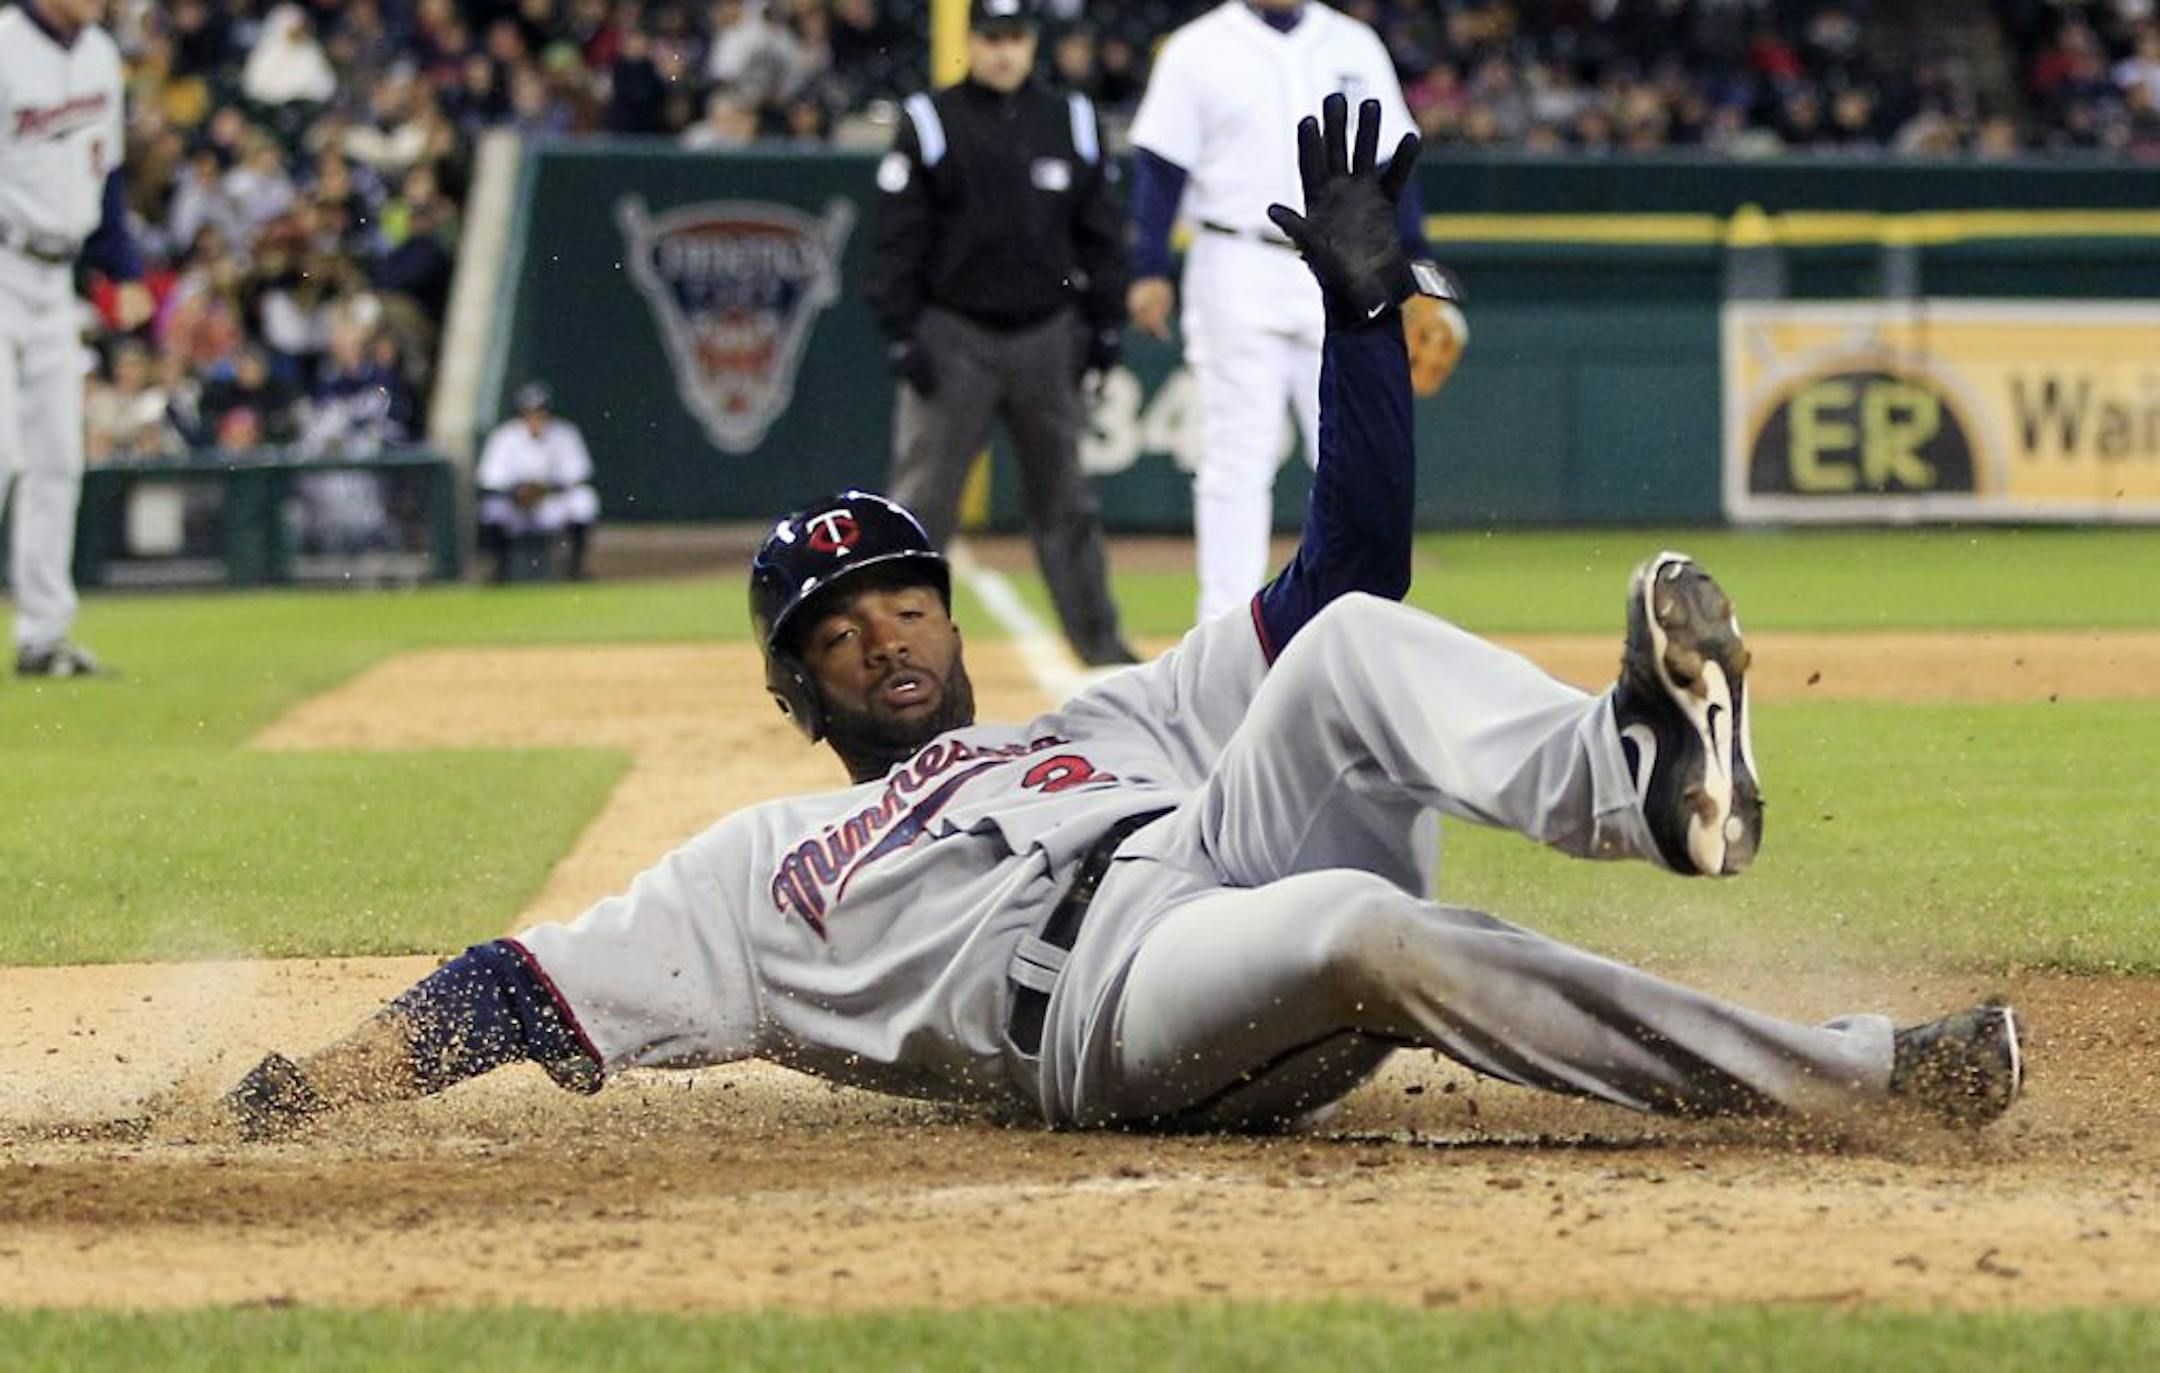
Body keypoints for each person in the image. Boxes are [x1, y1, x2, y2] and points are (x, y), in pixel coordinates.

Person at [220, 98, 2022, 1145]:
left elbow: (1357, 565)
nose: (889, 635)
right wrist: (318, 1079)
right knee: (1360, 923)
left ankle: (1644, 780)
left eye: (907, 595)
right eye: (842, 629)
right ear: (798, 684)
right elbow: (516, 986)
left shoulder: (1100, 711)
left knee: (1333, 655)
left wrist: (1361, 326)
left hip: (1196, 840)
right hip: (1104, 1008)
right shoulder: (755, 870)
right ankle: (1867, 1072)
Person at [1127, 0, 1463, 624]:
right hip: (1235, 257)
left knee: (1358, 448)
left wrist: (1417, 270)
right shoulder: (1198, 48)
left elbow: (1397, 167)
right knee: (1235, 458)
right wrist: (1148, 267)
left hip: (1347, 270)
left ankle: (1361, 619)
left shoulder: (1356, 43)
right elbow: (1160, 167)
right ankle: (1223, 629)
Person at [862, 0, 1139, 669]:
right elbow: (896, 238)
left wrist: (1106, 323)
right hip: (953, 332)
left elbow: (1101, 232)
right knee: (922, 509)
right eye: (990, 37)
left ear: (1031, 43)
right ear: (972, 42)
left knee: (1066, 504)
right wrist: (901, 330)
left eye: (1014, 37)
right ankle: (897, 654)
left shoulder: (1072, 118)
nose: (1003, 52)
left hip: (1048, 333)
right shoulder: (931, 120)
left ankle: (1102, 653)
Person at [1, 0, 153, 678]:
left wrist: (122, 269)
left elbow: (107, 176)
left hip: (58, 279)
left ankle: (43, 635)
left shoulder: (99, 56)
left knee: (60, 457)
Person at [474, 380, 599, 582]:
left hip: (550, 503)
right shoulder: (505, 436)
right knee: (492, 509)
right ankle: (499, 570)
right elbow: (490, 479)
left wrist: (543, 489)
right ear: (521, 413)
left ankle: (576, 568)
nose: (535, 417)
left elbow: (577, 475)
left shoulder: (564, 433)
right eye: (529, 412)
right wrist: (519, 492)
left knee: (584, 501)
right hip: (517, 506)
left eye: (540, 411)